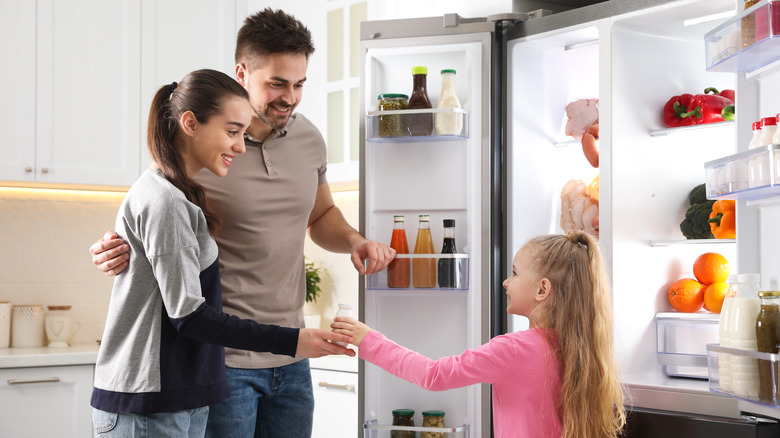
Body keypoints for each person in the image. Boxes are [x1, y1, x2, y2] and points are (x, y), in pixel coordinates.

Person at [89, 8, 394, 437]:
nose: (290, 97)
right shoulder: (208, 146)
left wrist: (355, 241)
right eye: (277, 83)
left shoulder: (308, 140)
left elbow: (321, 215)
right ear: (242, 72)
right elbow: (156, 219)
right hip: (220, 359)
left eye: (300, 84)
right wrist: (114, 246)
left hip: (292, 357)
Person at [332, 231, 626, 438]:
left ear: (542, 289)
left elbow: (433, 375)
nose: (506, 282)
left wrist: (367, 339)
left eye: (514, 273)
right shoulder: (585, 347)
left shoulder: (511, 350)